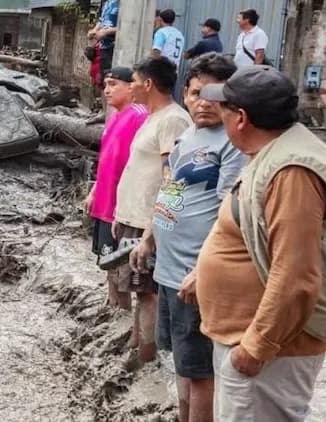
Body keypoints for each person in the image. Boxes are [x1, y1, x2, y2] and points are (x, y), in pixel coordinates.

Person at [196, 66, 326, 422]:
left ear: (241, 118)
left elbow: (296, 276)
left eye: (224, 108)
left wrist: (256, 348)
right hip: (248, 341)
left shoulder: (292, 173)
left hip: (265, 352)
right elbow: (252, 234)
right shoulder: (274, 153)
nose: (218, 113)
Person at [129, 53, 244, 422]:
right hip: (168, 269)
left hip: (195, 275)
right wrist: (149, 236)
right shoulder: (188, 136)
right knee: (181, 360)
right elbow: (170, 192)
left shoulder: (232, 142)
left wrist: (204, 269)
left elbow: (231, 213)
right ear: (187, 92)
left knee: (200, 372)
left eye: (214, 94)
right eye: (196, 93)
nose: (204, 102)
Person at [106, 57, 192, 365]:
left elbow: (172, 179)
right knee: (134, 287)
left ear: (148, 84)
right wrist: (120, 213)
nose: (130, 87)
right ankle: (135, 343)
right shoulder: (153, 117)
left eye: (133, 81)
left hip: (148, 222)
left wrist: (151, 229)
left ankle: (146, 359)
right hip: (132, 216)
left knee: (146, 291)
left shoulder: (173, 121)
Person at [84, 66, 149, 308]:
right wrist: (93, 191)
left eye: (114, 84)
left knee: (125, 273)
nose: (107, 90)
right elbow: (106, 160)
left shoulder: (140, 116)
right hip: (104, 202)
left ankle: (124, 315)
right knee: (107, 262)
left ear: (131, 87)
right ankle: (112, 309)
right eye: (106, 85)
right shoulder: (114, 116)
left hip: (122, 208)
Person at [87, 0, 122, 83]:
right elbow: (102, 20)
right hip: (104, 48)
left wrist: (106, 32)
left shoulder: (127, 3)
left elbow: (127, 27)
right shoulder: (109, 3)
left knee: (115, 81)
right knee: (103, 81)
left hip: (117, 48)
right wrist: (94, 30)